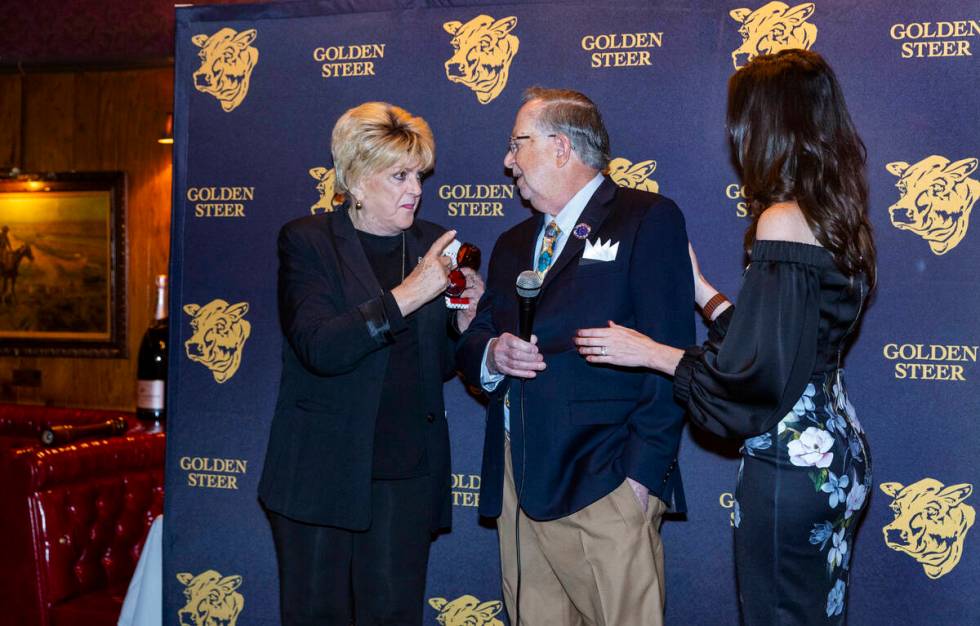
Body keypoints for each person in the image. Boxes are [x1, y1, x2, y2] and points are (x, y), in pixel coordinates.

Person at [574, 49, 876, 625]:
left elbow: (751, 378)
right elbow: (782, 345)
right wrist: (703, 289)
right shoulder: (840, 217)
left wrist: (650, 353)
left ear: (768, 125)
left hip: (789, 463)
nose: (735, 136)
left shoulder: (783, 218)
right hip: (836, 454)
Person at [456, 87, 694, 626]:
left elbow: (673, 353)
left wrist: (641, 480)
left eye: (517, 144)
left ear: (561, 147)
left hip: (605, 480)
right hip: (518, 483)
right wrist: (493, 353)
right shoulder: (515, 242)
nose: (507, 161)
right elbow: (474, 343)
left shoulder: (645, 218)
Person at [257, 101, 483, 626]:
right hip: (319, 479)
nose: (416, 189)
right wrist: (408, 295)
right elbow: (321, 347)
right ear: (356, 181)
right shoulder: (307, 242)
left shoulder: (433, 244)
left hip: (405, 477)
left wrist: (466, 322)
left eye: (419, 174)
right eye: (399, 175)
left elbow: (437, 363)